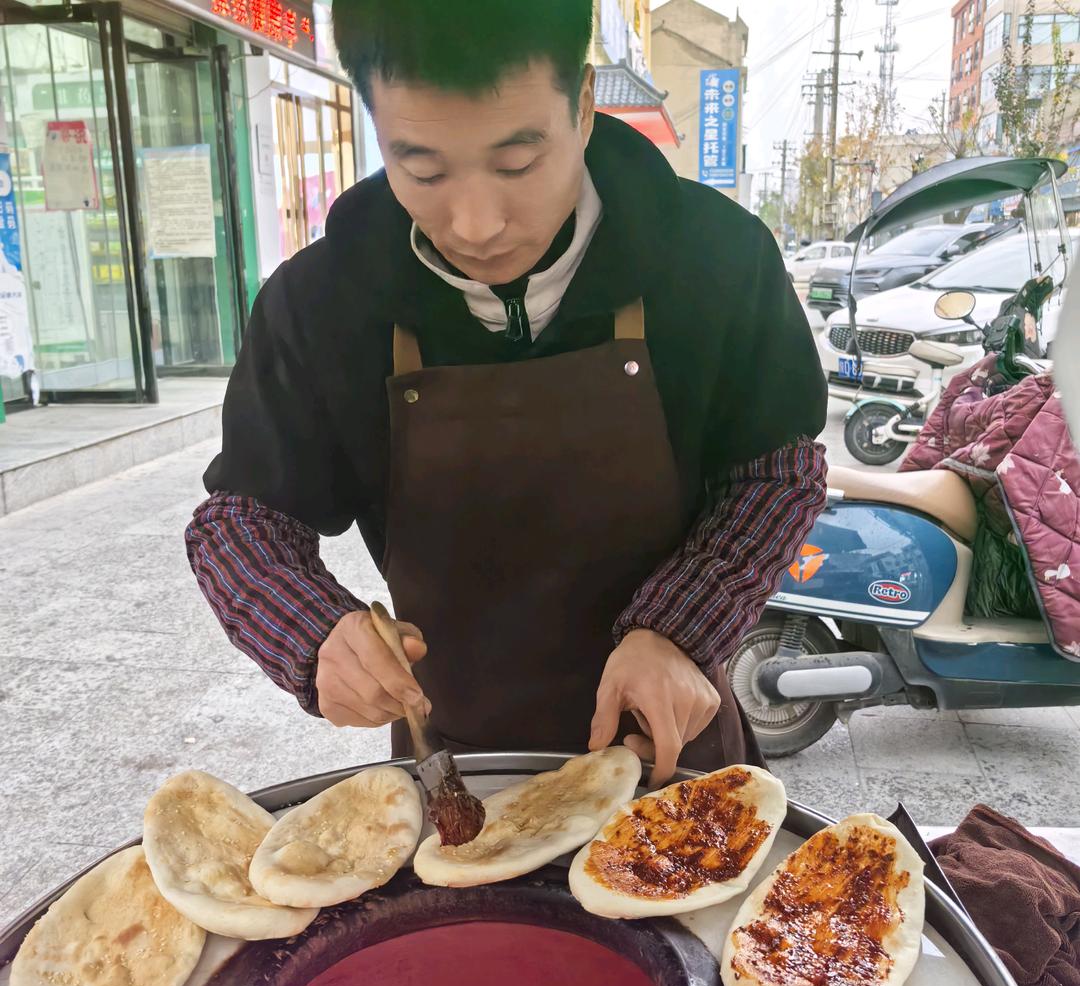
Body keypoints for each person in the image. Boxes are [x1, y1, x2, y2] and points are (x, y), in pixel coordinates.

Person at [185, 0, 828, 784]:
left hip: (671, 754)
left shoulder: (716, 262)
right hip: (458, 770)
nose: (478, 222)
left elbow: (775, 472)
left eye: (518, 163)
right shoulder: (321, 305)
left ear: (584, 106)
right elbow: (240, 518)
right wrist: (313, 632)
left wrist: (682, 629)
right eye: (422, 168)